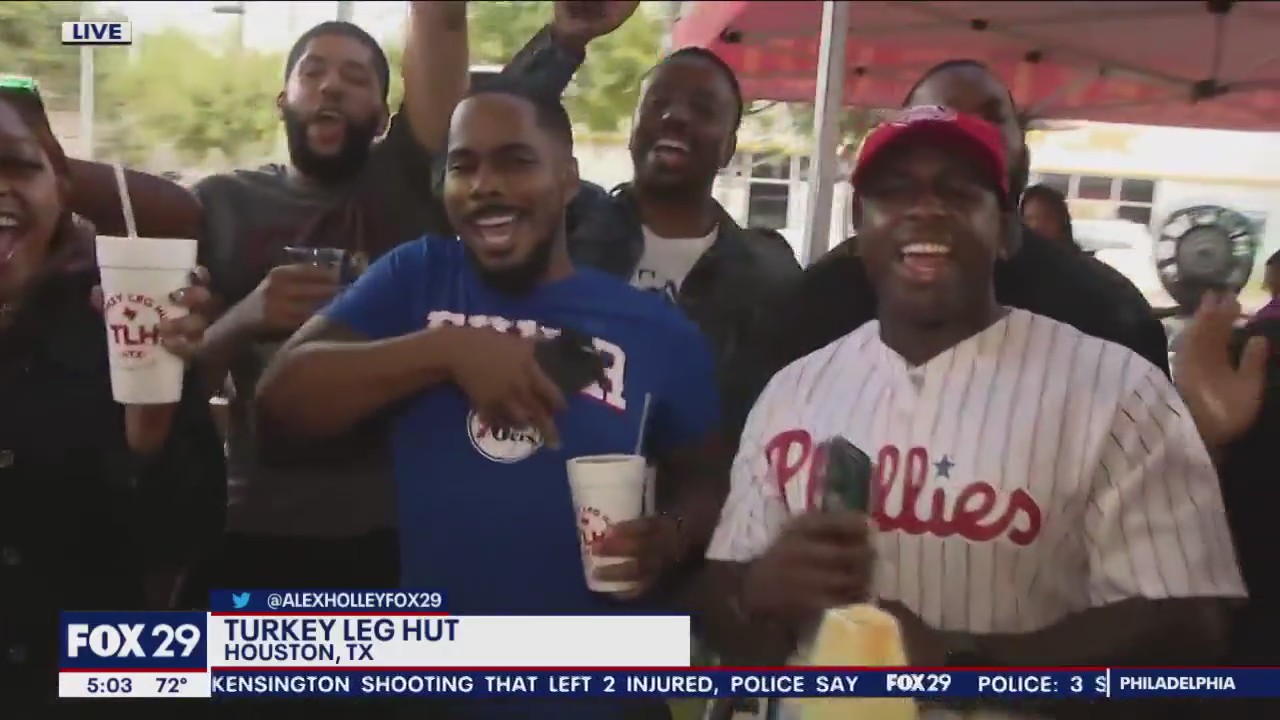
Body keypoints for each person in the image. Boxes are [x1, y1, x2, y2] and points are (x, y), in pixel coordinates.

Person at [698, 107, 1245, 720]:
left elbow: (1190, 622)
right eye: (894, 191)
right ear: (859, 229)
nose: (926, 209)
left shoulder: (1118, 389)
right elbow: (724, 611)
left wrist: (966, 666)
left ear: (1007, 231)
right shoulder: (793, 388)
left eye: (959, 192)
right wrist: (756, 593)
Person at [257, 79, 725, 720]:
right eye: (463, 166)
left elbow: (708, 481)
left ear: (567, 181)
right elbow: (282, 399)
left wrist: (669, 536)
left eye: (515, 161)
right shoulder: (418, 277)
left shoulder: (659, 331)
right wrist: (445, 349)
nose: (484, 185)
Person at [735, 60, 1171, 435]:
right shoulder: (807, 310)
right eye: (938, 116)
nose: (964, 129)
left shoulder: (1108, 314)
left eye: (991, 117)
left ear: (1023, 144)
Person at [0, 78, 222, 713]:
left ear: (61, 185)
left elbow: (185, 543)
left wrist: (148, 433)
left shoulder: (131, 322)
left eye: (17, 164)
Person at [565, 46, 802, 442]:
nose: (675, 117)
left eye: (703, 110)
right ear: (634, 129)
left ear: (728, 148)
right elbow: (472, 142)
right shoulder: (567, 224)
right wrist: (563, 42)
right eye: (657, 103)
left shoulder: (768, 277)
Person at [1020, 183, 1077, 249]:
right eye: (1029, 219)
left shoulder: (1074, 258)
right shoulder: (1015, 255)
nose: (1036, 226)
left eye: (1046, 219)